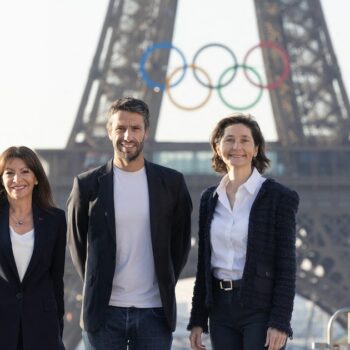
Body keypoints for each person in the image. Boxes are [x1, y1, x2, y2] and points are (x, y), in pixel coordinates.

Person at [67, 96, 192, 350]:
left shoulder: (172, 183)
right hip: (104, 313)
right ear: (109, 131)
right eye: (121, 128)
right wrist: (97, 283)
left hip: (154, 313)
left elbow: (180, 246)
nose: (128, 135)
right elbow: (77, 246)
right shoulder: (87, 185)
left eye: (135, 128)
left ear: (146, 131)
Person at [188, 114, 299, 350]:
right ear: (218, 147)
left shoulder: (278, 197)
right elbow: (203, 266)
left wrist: (280, 321)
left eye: (244, 140)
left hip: (260, 309)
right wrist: (198, 319)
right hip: (220, 310)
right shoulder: (210, 199)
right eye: (229, 140)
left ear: (256, 148)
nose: (236, 147)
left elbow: (286, 266)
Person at [0, 146, 66, 350]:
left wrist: (57, 329)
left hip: (42, 327)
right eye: (9, 173)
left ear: (36, 178)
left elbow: (56, 279)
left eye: (25, 171)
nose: (16, 179)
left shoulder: (55, 220)